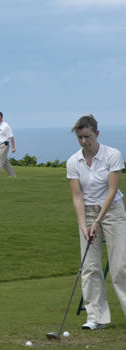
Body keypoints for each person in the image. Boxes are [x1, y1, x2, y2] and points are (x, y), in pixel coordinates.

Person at [66, 114, 126, 330]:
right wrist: (84, 225)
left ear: (96, 134)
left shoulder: (113, 155)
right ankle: (95, 317)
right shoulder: (73, 162)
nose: (84, 141)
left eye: (87, 137)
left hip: (112, 212)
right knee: (90, 267)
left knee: (120, 265)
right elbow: (77, 196)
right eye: (80, 137)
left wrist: (98, 221)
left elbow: (112, 190)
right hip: (88, 214)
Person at [0, 112, 17, 177]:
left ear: (1, 117)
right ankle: (13, 176)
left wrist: (13, 147)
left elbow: (11, 136)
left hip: (4, 146)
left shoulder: (6, 126)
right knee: (5, 163)